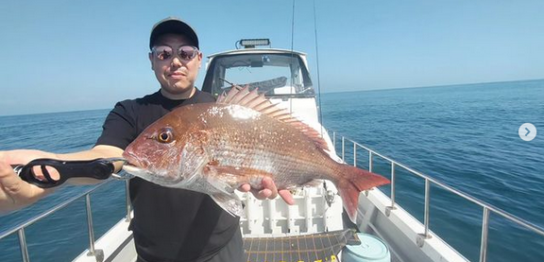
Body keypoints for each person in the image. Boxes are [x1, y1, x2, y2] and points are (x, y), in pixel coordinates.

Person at [0, 17, 293, 262]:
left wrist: (261, 180)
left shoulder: (223, 110)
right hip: (155, 255)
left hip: (221, 250)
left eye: (186, 53)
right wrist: (53, 171)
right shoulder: (130, 111)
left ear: (199, 60)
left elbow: (248, 168)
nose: (175, 61)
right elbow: (105, 156)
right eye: (164, 53)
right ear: (151, 60)